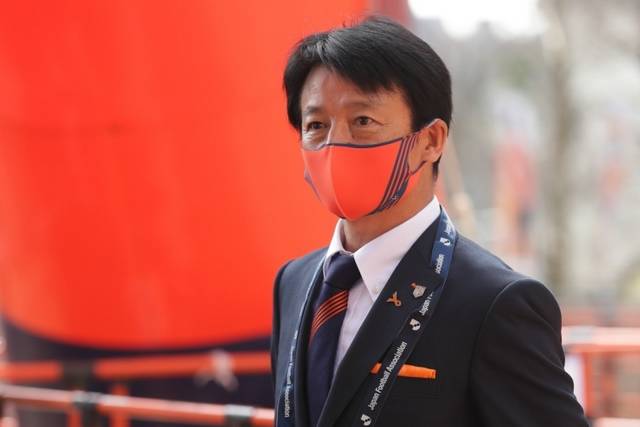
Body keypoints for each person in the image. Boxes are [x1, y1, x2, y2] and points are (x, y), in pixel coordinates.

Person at [270, 16, 588, 427]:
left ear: (431, 141)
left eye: (362, 121)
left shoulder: (496, 304)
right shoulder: (293, 283)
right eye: (315, 125)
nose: (334, 144)